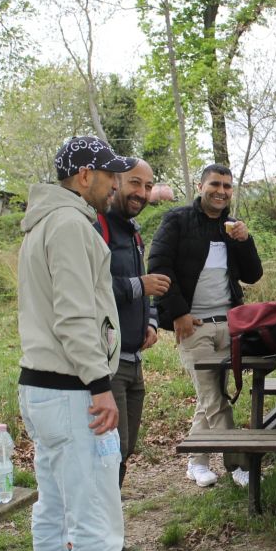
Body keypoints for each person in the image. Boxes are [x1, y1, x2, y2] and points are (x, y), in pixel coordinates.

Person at [16, 135, 163, 551]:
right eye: (109, 175)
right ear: (84, 175)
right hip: (73, 391)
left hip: (42, 387)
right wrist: (100, 386)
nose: (114, 185)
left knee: (55, 512)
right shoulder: (70, 225)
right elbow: (75, 314)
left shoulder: (43, 223)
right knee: (96, 519)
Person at [147, 164, 263, 488]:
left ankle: (196, 462)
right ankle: (238, 464)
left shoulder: (232, 227)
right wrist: (178, 313)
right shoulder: (177, 220)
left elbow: (252, 275)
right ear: (200, 186)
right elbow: (158, 265)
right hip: (193, 327)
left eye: (227, 186)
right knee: (214, 398)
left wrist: (245, 241)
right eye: (215, 184)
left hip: (229, 325)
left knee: (208, 397)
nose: (221, 191)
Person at [94, 159, 170, 489]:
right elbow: (93, 288)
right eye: (135, 183)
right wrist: (139, 285)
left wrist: (151, 322)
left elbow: (145, 287)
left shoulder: (133, 232)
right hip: (107, 363)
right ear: (116, 183)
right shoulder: (98, 227)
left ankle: (110, 515)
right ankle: (101, 518)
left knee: (124, 451)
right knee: (111, 450)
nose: (142, 192)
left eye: (148, 186)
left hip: (134, 362)